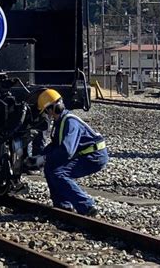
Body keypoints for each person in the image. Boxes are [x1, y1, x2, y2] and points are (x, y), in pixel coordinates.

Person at [37, 88, 108, 216]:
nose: (48, 115)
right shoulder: (60, 121)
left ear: (52, 108)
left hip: (94, 156)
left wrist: (45, 158)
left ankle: (87, 206)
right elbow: (55, 145)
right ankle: (63, 206)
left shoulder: (70, 122)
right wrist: (40, 157)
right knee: (50, 168)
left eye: (47, 111)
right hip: (86, 154)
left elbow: (66, 151)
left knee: (59, 173)